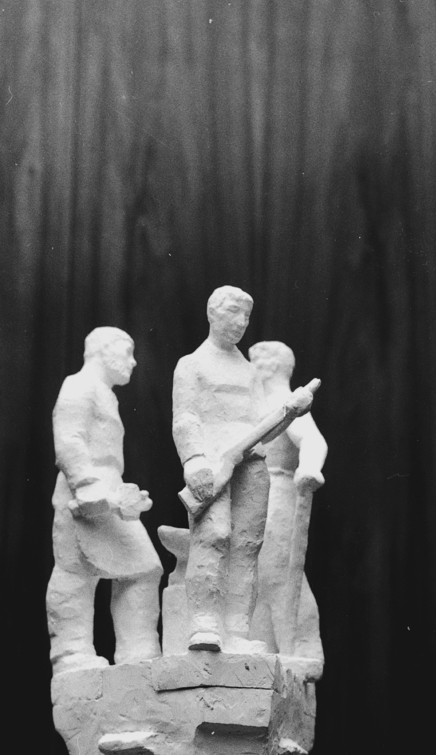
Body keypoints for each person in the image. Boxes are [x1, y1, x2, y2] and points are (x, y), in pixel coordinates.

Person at [46, 327, 163, 676]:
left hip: (107, 489)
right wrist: (87, 485)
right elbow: (69, 439)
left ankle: (137, 654)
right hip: (84, 492)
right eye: (127, 352)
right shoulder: (79, 385)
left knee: (138, 568)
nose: (133, 361)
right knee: (77, 571)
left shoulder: (104, 393)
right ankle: (72, 653)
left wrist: (122, 496)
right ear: (103, 351)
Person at [172, 287, 270, 653]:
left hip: (252, 463)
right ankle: (205, 624)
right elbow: (185, 416)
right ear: (212, 313)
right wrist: (194, 459)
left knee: (247, 545)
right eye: (233, 312)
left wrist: (289, 413)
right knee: (213, 536)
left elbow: (264, 422)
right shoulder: (192, 364)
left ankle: (237, 631)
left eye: (247, 315)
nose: (241, 322)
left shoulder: (250, 371)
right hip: (214, 461)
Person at [247, 341, 326, 662]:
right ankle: (266, 646)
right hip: (254, 494)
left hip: (277, 492)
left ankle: (304, 646)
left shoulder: (285, 400)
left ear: (271, 366)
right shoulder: (259, 402)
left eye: (254, 362)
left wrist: (309, 468)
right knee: (257, 575)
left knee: (278, 570)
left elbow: (312, 439)